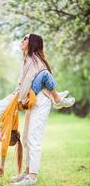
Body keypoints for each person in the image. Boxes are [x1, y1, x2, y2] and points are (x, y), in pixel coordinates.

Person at [11, 33, 75, 186]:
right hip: (32, 103)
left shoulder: (36, 61)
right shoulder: (27, 60)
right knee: (26, 139)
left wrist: (21, 97)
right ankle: (26, 173)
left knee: (33, 139)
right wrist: (15, 97)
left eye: (25, 38)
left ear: (32, 43)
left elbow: (44, 77)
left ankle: (32, 178)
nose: (22, 40)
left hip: (40, 102)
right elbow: (22, 84)